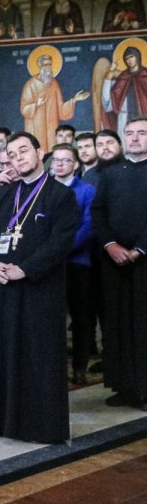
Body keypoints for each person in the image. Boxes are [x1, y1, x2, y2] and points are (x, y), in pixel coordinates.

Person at [0, 132, 79, 443]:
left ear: (40, 151)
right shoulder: (4, 195)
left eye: (24, 150)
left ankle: (40, 426)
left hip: (39, 290)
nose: (17, 157)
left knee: (38, 356)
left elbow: (60, 242)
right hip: (1, 287)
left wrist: (24, 269)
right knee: (2, 353)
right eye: (11, 153)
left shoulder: (60, 196)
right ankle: (1, 422)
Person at [90, 116, 147, 409]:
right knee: (118, 325)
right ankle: (124, 386)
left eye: (142, 133)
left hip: (144, 261)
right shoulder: (112, 174)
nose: (135, 138)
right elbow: (97, 212)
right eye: (130, 133)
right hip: (114, 263)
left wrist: (139, 249)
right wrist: (110, 245)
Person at [49, 143, 97, 385]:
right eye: (55, 160)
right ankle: (55, 367)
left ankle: (79, 366)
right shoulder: (42, 189)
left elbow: (88, 226)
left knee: (80, 317)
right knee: (52, 318)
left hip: (77, 262)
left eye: (65, 160)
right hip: (49, 265)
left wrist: (58, 249)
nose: (59, 164)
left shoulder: (87, 190)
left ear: (76, 165)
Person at [20, 53, 88, 150]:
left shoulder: (54, 84)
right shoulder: (30, 84)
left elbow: (61, 110)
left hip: (51, 128)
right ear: (40, 66)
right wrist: (36, 105)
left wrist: (74, 100)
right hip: (36, 129)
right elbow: (24, 110)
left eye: (49, 64)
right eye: (45, 65)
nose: (48, 67)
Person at [102, 46, 147, 137]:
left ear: (137, 57)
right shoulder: (123, 77)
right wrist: (109, 76)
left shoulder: (145, 75)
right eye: (127, 58)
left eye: (131, 57)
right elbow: (111, 101)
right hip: (124, 118)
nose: (129, 60)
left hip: (143, 117)